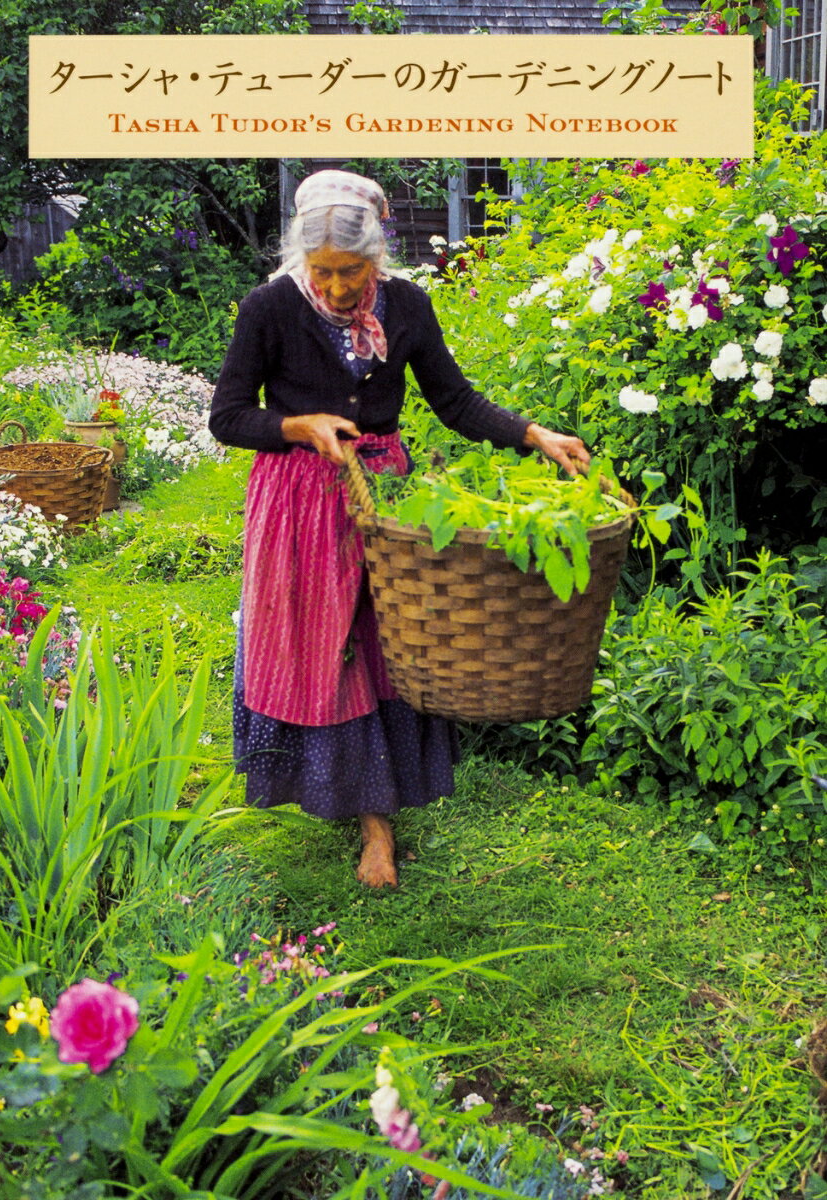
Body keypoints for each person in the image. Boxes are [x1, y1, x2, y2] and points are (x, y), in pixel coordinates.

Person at [209, 169, 590, 889]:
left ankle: (378, 818)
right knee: (321, 648)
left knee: (385, 647)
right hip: (298, 499)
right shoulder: (269, 308)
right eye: (323, 271)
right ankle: (358, 817)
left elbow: (454, 399)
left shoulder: (408, 307)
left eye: (351, 272)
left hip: (384, 498)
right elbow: (227, 416)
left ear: (376, 257)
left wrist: (533, 433)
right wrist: (295, 424)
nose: (338, 287)